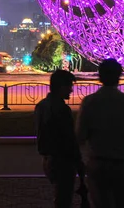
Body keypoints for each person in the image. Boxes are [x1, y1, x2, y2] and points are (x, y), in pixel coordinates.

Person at [76, 59, 124, 208]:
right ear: (119, 76)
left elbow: (80, 135)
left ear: (99, 76)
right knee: (123, 201)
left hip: (97, 162)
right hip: (122, 163)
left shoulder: (89, 102)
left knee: (101, 203)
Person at [35, 70, 85, 208]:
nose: (71, 90)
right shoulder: (62, 109)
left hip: (47, 158)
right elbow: (69, 138)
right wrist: (78, 162)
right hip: (62, 160)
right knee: (63, 198)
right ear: (61, 86)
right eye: (69, 86)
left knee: (60, 196)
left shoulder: (41, 106)